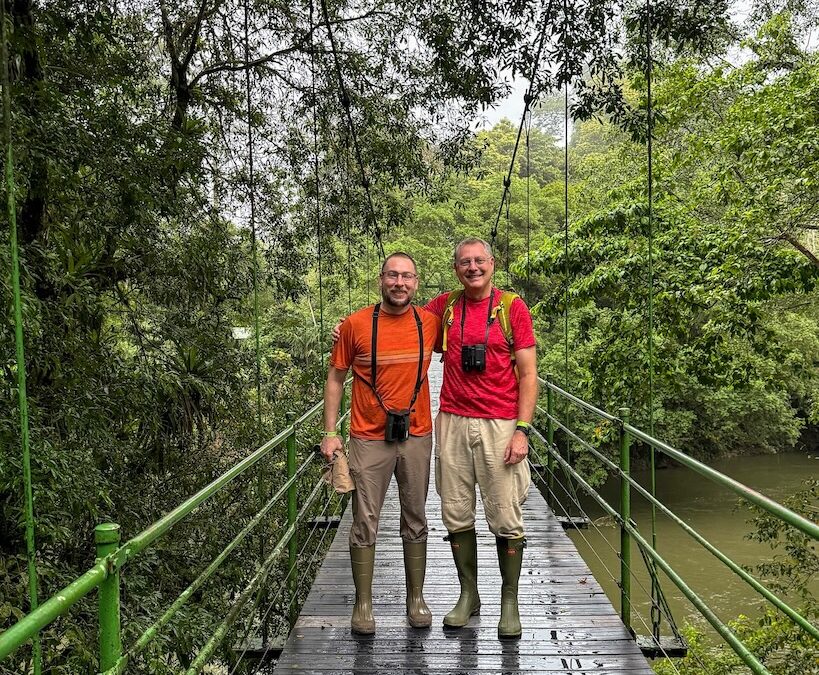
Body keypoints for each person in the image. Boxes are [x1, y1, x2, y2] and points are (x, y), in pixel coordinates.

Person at [320, 252, 440, 635]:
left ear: (417, 282)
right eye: (392, 275)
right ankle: (363, 603)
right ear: (381, 280)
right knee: (364, 519)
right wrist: (329, 432)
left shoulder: (431, 322)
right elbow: (336, 378)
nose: (399, 283)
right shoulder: (355, 325)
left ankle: (416, 598)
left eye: (407, 276)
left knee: (416, 514)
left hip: (417, 433)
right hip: (368, 436)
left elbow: (472, 331)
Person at [425, 237, 537, 640]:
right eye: (464, 262)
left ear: (493, 263)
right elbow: (399, 325)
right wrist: (348, 328)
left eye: (479, 261)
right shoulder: (445, 307)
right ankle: (468, 594)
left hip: (500, 423)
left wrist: (522, 431)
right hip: (452, 421)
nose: (473, 267)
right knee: (455, 511)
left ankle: (510, 601)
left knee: (505, 513)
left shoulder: (512, 308)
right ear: (456, 268)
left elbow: (528, 375)